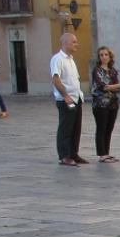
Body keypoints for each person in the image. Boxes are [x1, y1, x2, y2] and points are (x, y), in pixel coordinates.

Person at [50, 32, 87, 166]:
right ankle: (64, 155)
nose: (76, 44)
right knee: (65, 128)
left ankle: (73, 153)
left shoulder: (71, 59)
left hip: (76, 98)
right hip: (66, 99)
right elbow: (56, 79)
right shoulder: (57, 59)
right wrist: (65, 96)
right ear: (65, 43)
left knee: (76, 128)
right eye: (74, 42)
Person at [90, 46, 120, 163]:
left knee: (109, 128)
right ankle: (101, 154)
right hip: (100, 104)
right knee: (101, 128)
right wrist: (115, 86)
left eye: (106, 54)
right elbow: (103, 86)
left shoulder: (113, 71)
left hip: (113, 104)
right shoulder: (97, 70)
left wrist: (114, 87)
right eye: (101, 55)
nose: (104, 57)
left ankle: (106, 152)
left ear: (110, 56)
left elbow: (119, 88)